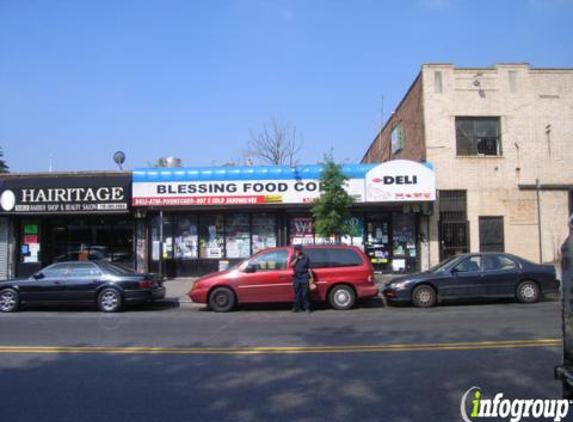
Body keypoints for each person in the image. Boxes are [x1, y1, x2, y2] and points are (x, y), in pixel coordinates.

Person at [290, 244, 312, 313]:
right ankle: (296, 307)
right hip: (296, 276)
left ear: (301, 250)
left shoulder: (306, 257)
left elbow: (309, 268)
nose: (297, 251)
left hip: (305, 276)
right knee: (297, 293)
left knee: (305, 293)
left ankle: (307, 308)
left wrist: (312, 278)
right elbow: (291, 265)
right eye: (295, 250)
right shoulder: (293, 257)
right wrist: (296, 258)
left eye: (298, 250)